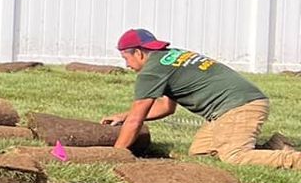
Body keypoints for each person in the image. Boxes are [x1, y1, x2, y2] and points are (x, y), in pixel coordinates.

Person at [104, 28, 301, 167]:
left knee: (234, 156)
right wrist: (124, 116)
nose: (126, 65)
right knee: (201, 152)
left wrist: (115, 154)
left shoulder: (151, 72)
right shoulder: (169, 56)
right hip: (239, 104)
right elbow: (166, 107)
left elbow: (137, 120)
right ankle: (276, 146)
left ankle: (295, 161)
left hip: (238, 107)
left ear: (137, 53)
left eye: (126, 59)